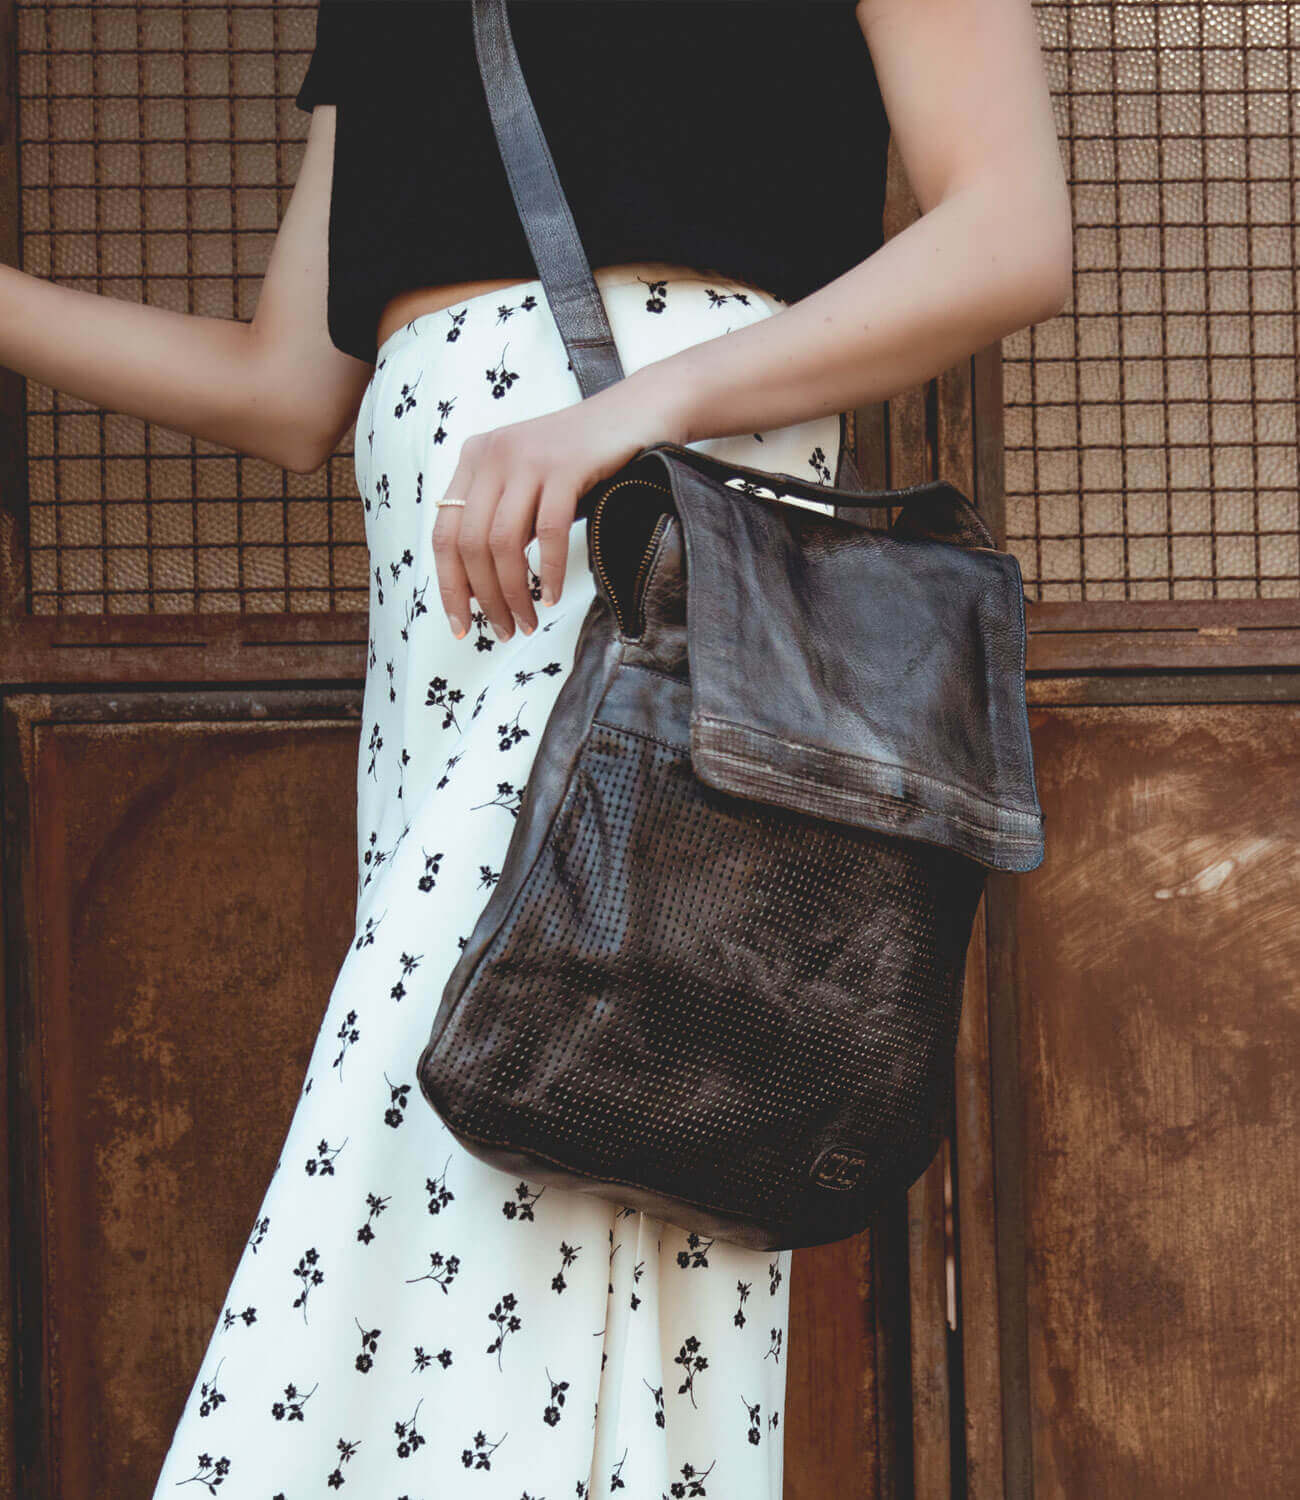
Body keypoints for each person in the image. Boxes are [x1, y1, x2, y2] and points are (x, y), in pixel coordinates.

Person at [0, 1, 1070, 1495]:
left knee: (500, 1152)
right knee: (518, 1153)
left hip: (652, 547)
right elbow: (286, 387)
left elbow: (1014, 227)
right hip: (449, 633)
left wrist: (629, 413)